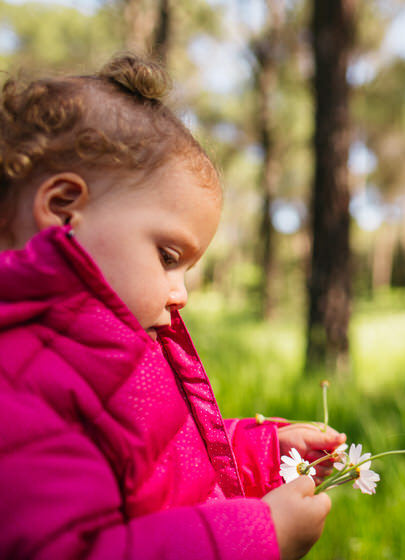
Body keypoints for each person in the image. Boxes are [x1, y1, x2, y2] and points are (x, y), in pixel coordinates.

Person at [0, 54, 345, 559]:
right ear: (63, 211)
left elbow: (167, 462)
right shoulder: (21, 384)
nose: (180, 293)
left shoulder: (106, 346)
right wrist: (258, 537)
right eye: (167, 256)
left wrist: (266, 452)